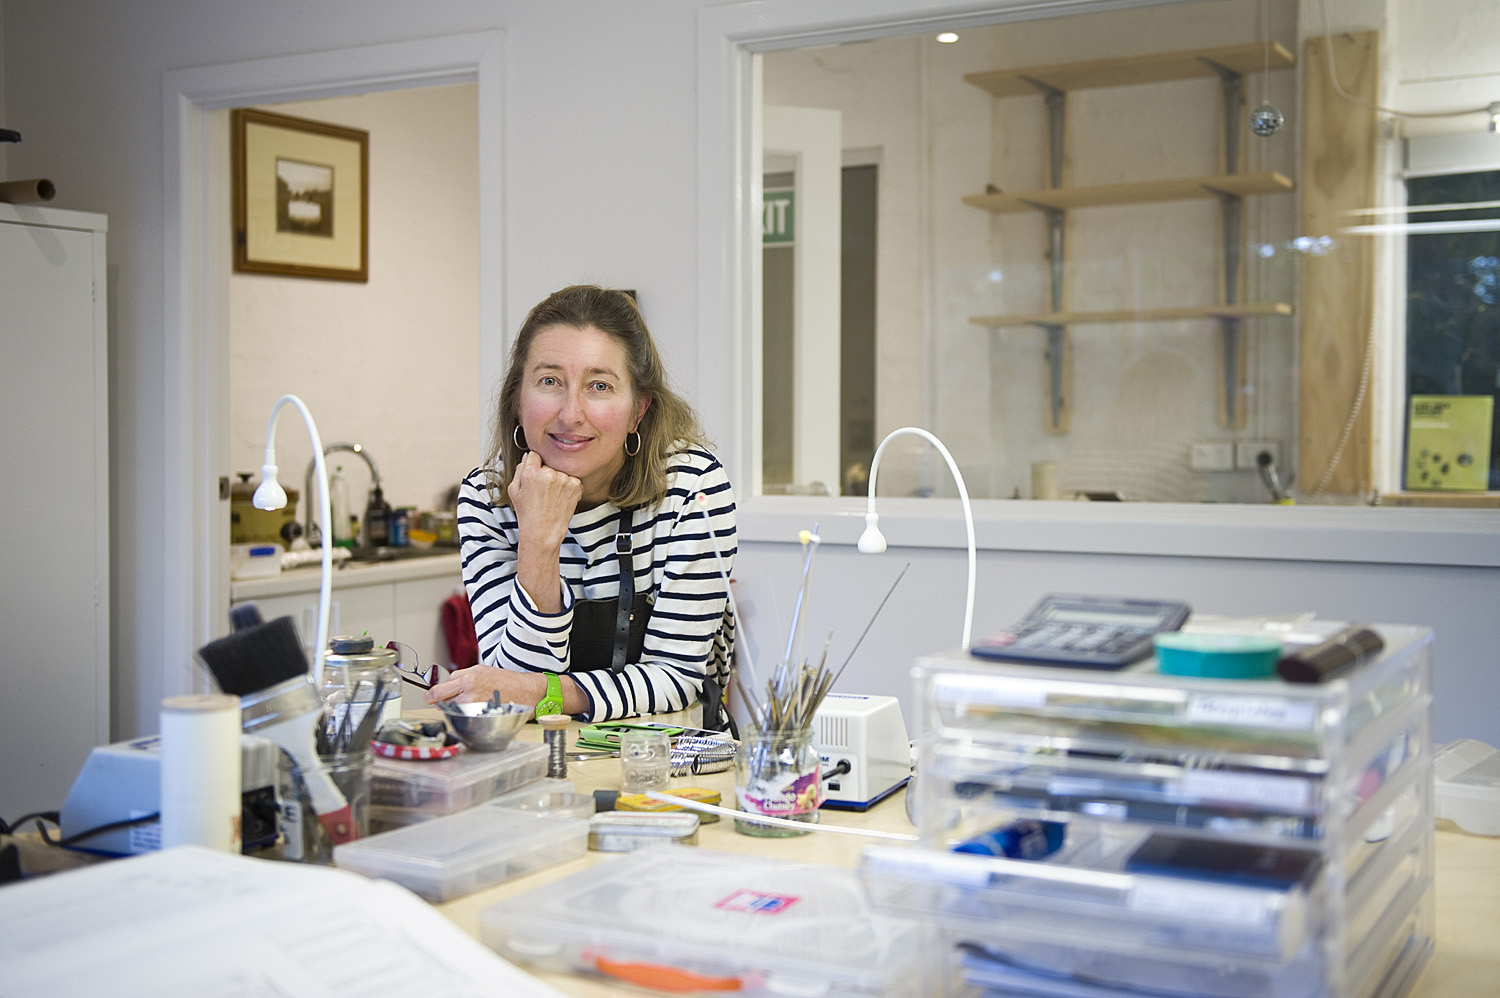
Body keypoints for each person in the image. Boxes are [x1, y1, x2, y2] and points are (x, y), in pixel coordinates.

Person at [423, 285, 736, 725]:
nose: (571, 413)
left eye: (599, 386)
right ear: (517, 399)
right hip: (542, 760)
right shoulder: (487, 496)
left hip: (671, 765)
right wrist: (539, 544)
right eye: (550, 381)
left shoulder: (693, 487)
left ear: (638, 411)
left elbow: (675, 678)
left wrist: (545, 691)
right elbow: (510, 690)